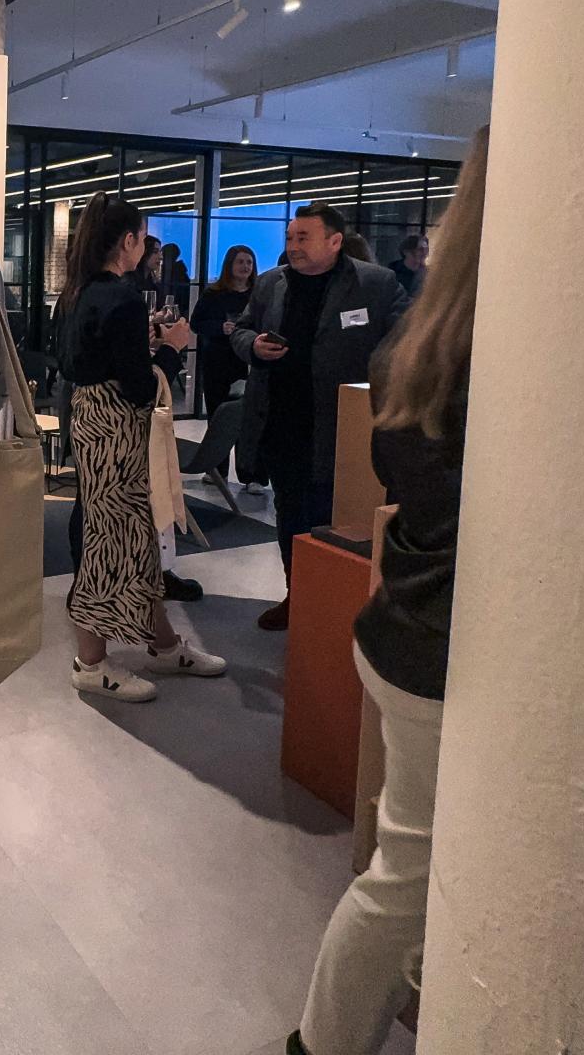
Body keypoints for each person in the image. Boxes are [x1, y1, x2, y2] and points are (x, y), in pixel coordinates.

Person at [288, 129, 487, 1055]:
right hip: (441, 641)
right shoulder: (486, 342)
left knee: (408, 869)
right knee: (409, 876)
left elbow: (393, 459)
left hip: (408, 619)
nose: (295, 248)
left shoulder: (417, 329)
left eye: (306, 235)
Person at [56, 195, 226, 703]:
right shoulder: (124, 297)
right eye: (143, 238)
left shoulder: (77, 291)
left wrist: (139, 343)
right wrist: (172, 348)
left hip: (90, 421)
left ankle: (164, 644)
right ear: (128, 240)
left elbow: (88, 358)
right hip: (117, 430)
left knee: (131, 538)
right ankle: (90, 663)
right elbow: (137, 388)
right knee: (111, 542)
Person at [231, 202, 409, 630]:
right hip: (282, 424)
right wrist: (252, 345)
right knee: (290, 518)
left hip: (344, 429)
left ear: (334, 241)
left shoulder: (375, 284)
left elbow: (406, 341)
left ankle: (338, 608)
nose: (293, 246)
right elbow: (242, 328)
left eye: (303, 238)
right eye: (290, 238)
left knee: (337, 519)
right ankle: (298, 597)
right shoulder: (271, 283)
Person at [190, 244, 262, 490]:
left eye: (249, 262)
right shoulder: (213, 294)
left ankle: (250, 475)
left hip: (248, 363)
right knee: (218, 417)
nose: (245, 267)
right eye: (240, 262)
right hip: (218, 363)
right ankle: (216, 470)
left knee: (247, 419)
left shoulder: (257, 295)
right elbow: (196, 323)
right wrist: (219, 328)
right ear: (229, 265)